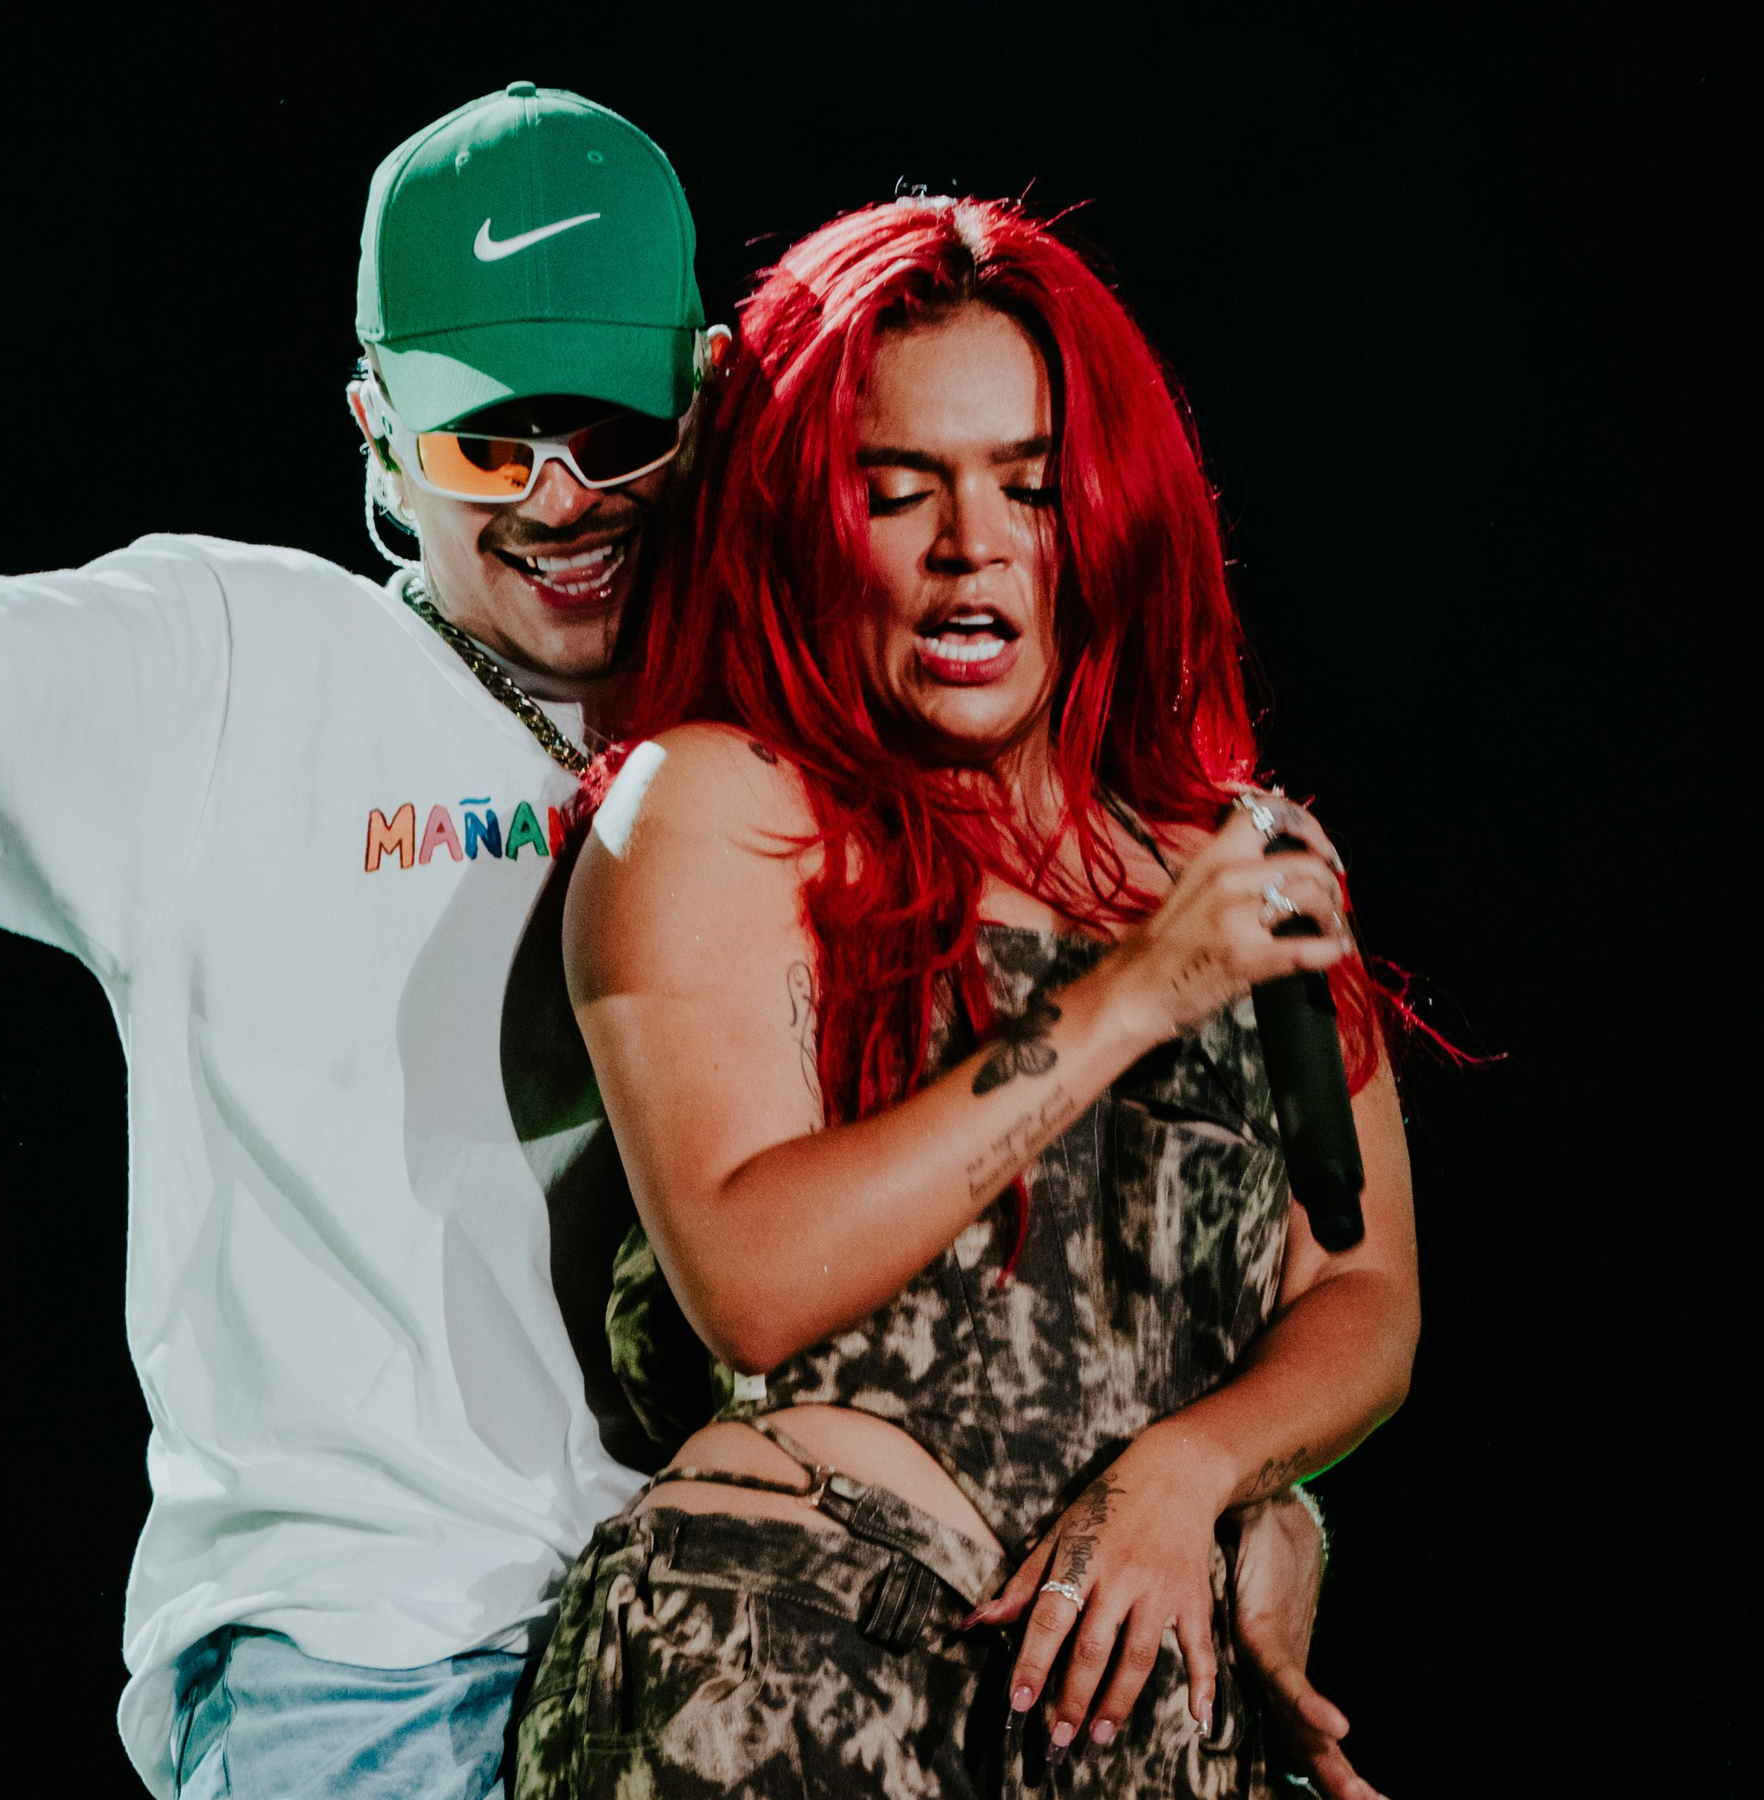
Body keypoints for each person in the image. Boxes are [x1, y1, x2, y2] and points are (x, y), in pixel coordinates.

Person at [0, 82, 1358, 1795]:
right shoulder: (243, 662)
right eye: (488, 448)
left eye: (611, 434)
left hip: (753, 1643)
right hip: (374, 1666)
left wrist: (1241, 1493)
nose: (559, 499)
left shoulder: (822, 738)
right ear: (374, 423)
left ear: (710, 400)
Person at [514, 196, 1420, 1798]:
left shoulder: (1230, 867)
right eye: (898, 488)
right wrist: (1129, 997)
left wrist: (1200, 1475)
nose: (971, 543)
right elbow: (752, 1277)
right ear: (810, 518)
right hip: (780, 1669)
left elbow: (1362, 1292)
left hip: (1115, 1731)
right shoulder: (728, 807)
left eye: (1029, 484)